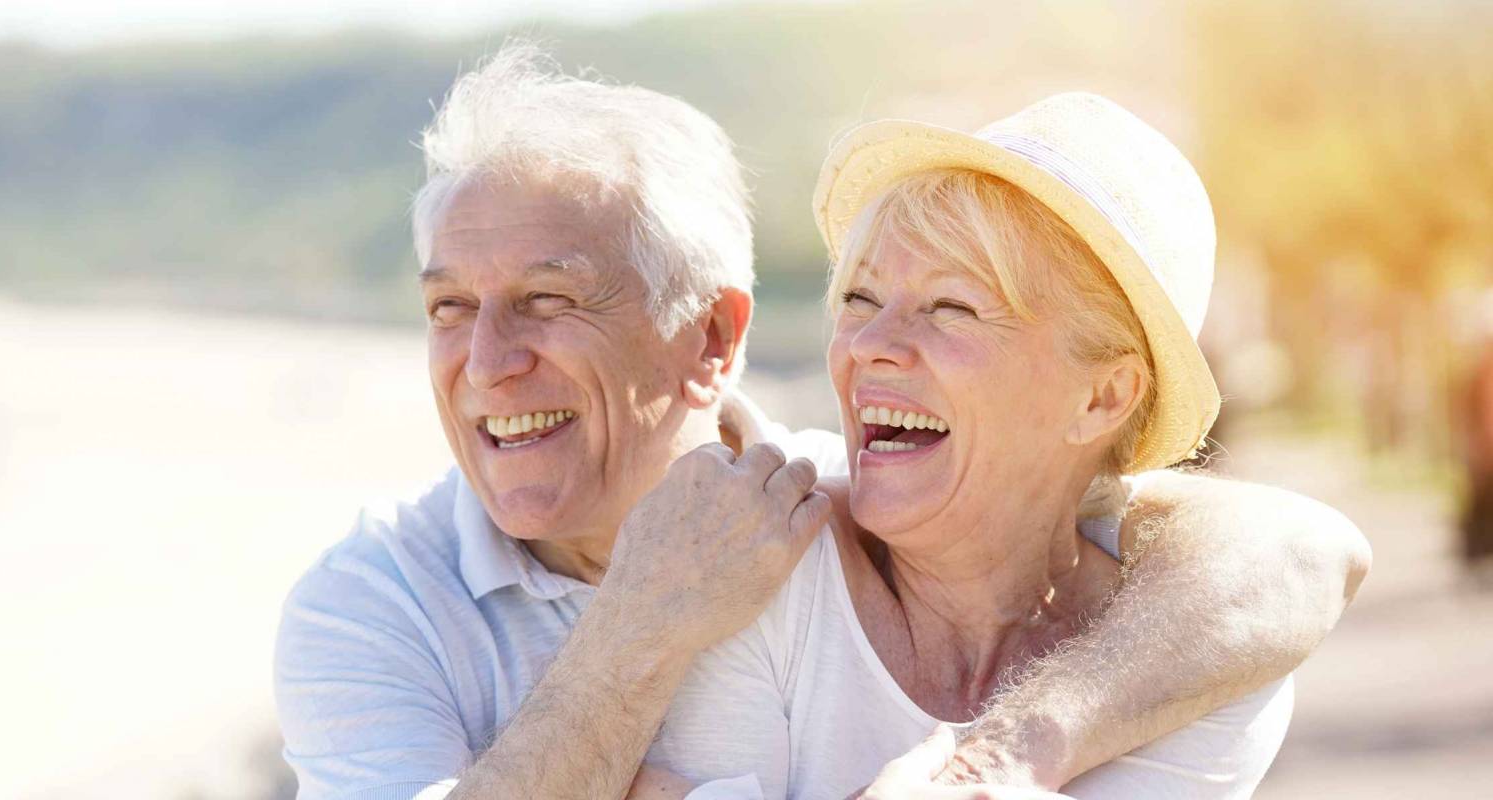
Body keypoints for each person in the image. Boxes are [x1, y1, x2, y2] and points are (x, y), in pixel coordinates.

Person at [274, 43, 1371, 800]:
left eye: (549, 302)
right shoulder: (373, 601)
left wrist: (999, 753)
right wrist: (635, 627)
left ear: (713, 339)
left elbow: (1296, 545)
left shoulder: (803, 531)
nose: (486, 361)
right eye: (447, 308)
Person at [641, 93, 1330, 799]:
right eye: (861, 299)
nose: (871, 345)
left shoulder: (1200, 664)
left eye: (952, 307)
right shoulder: (764, 568)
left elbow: (1313, 548)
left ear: (1103, 397)